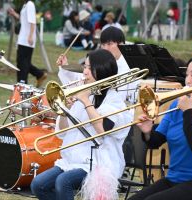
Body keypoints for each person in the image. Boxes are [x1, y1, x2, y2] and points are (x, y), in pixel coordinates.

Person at [30, 48, 132, 200]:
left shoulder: (115, 101)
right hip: (72, 160)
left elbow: (102, 129)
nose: (85, 72)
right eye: (85, 66)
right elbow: (62, 132)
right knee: (38, 184)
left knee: (63, 182)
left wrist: (84, 101)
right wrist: (65, 111)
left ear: (102, 71)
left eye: (90, 68)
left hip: (99, 163)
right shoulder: (85, 92)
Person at [128, 54, 192, 200]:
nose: (187, 80)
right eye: (187, 75)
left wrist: (188, 111)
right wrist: (147, 132)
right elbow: (155, 142)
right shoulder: (177, 104)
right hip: (176, 178)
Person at [58, 26, 138, 104]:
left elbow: (132, 98)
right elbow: (81, 80)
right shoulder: (98, 62)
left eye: (109, 44)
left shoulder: (131, 67)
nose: (105, 48)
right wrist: (65, 66)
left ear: (121, 44)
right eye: (103, 45)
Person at [8, 0, 47, 87]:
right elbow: (23, 20)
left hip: (26, 40)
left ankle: (22, 84)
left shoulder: (30, 4)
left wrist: (30, 36)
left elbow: (33, 22)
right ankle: (39, 74)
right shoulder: (25, 5)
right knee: (24, 63)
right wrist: (14, 13)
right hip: (22, 39)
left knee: (22, 64)